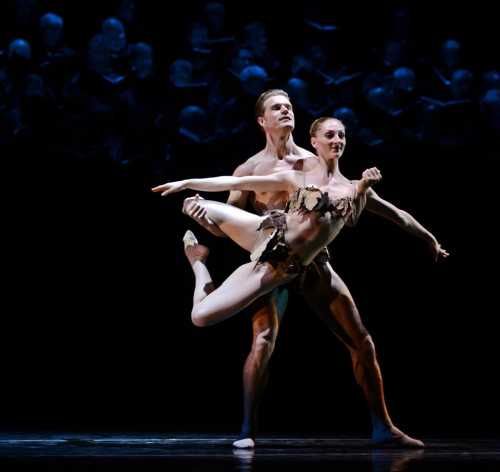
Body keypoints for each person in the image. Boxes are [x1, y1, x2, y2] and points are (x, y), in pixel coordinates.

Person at [153, 95, 448, 447]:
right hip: (269, 249)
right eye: (277, 107)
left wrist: (428, 238)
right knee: (254, 337)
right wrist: (189, 186)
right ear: (262, 120)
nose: (286, 110)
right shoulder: (264, 170)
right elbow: (234, 189)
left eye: (341, 136)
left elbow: (390, 214)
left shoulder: (319, 169)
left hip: (311, 263)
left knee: (361, 341)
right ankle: (198, 266)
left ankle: (384, 427)